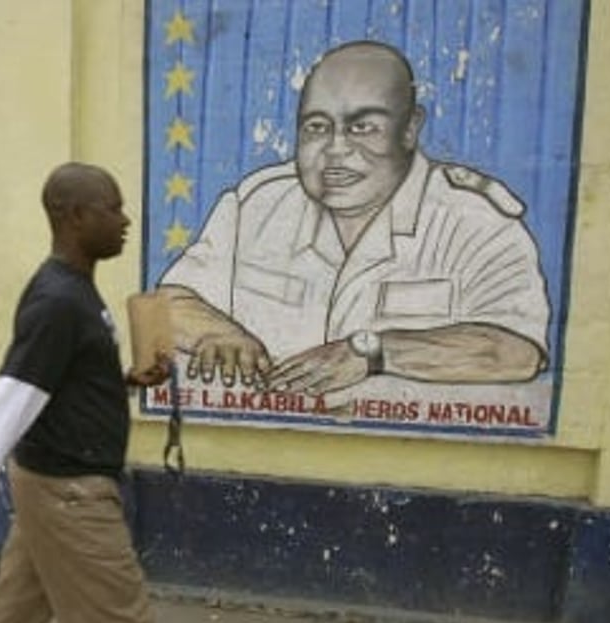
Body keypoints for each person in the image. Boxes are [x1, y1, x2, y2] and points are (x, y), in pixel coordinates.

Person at [157, 40, 550, 398]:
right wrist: (216, 331)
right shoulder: (258, 205)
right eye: (317, 127)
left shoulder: (474, 221)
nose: (336, 149)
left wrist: (373, 352)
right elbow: (164, 305)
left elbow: (517, 351)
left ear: (410, 128)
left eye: (363, 127)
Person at [0, 162, 170, 623]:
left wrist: (122, 381)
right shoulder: (59, 303)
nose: (125, 220)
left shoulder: (71, 290)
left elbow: (60, 381)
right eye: (114, 208)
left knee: (8, 618)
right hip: (72, 496)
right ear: (77, 216)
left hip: (49, 489)